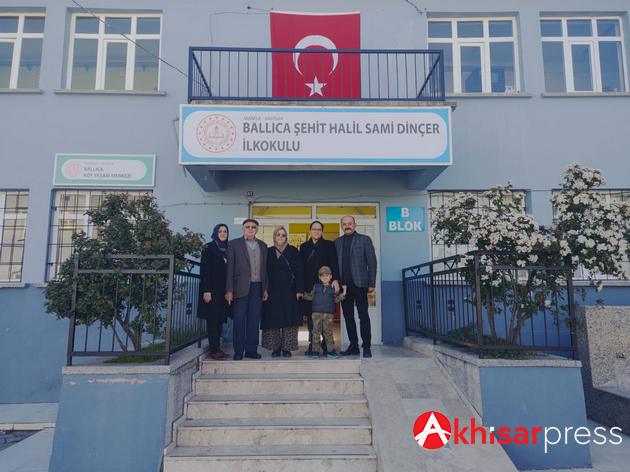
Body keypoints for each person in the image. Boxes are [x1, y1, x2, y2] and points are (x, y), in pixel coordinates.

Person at [335, 215, 377, 358]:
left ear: (355, 225)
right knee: (348, 317)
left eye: (349, 223)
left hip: (360, 284)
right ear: (342, 226)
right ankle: (353, 346)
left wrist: (372, 283)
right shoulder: (337, 242)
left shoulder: (365, 240)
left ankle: (366, 346)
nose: (347, 226)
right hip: (343, 287)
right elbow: (335, 265)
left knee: (363, 316)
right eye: (344, 224)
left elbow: (372, 262)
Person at [225, 219, 268, 360]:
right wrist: (229, 290)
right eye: (247, 227)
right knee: (239, 320)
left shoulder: (263, 245)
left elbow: (265, 269)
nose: (250, 229)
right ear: (243, 229)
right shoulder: (234, 244)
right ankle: (238, 351)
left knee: (254, 320)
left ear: (257, 229)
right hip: (240, 287)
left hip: (258, 287)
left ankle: (251, 350)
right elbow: (230, 268)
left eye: (253, 227)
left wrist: (265, 288)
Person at [262, 226, 304, 357]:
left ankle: (287, 348)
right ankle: (275, 348)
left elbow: (299, 271)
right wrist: (264, 289)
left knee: (289, 319)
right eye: (278, 235)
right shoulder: (268, 251)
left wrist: (299, 290)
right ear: (274, 236)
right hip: (272, 290)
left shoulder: (293, 251)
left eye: (283, 235)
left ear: (286, 237)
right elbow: (264, 271)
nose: (280, 237)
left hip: (289, 290)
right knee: (273, 318)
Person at [299, 221, 339, 356]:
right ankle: (313, 346)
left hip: (326, 288)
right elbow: (301, 268)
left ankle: (327, 346)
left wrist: (335, 280)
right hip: (310, 288)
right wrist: (301, 288)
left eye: (319, 229)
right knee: (312, 319)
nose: (316, 231)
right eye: (314, 229)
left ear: (322, 231)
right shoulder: (304, 247)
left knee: (326, 320)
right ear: (310, 231)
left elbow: (334, 264)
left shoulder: (329, 245)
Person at [197, 224, 231, 360]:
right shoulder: (209, 247)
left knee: (220, 320)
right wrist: (206, 290)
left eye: (225, 231)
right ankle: (214, 350)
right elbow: (205, 270)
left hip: (223, 291)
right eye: (220, 231)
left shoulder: (228, 248)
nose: (222, 233)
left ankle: (218, 348)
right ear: (215, 233)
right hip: (211, 290)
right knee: (212, 320)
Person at [302, 266, 344, 359]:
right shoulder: (316, 287)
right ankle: (315, 351)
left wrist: (342, 295)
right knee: (315, 332)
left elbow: (335, 300)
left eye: (327, 275)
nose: (325, 277)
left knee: (328, 333)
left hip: (328, 314)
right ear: (319, 277)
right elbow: (311, 297)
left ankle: (330, 351)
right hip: (316, 314)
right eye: (322, 275)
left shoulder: (333, 288)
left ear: (331, 276)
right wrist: (303, 294)